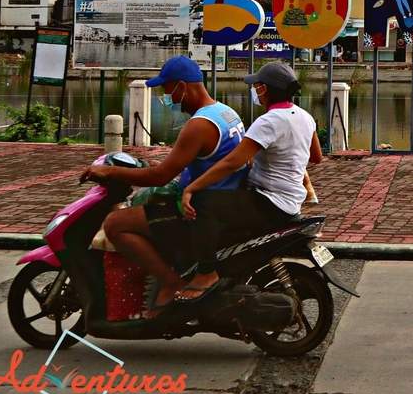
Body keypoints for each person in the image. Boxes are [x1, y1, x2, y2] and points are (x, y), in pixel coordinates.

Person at [84, 55, 248, 316]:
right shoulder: (225, 113)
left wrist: (110, 171)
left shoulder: (199, 125)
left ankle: (171, 282)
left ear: (182, 86)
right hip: (222, 198)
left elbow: (159, 176)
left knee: (115, 224)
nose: (166, 96)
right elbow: (188, 162)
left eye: (167, 89)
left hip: (199, 208)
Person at [176, 61, 321, 302]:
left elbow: (232, 162)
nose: (254, 90)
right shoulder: (305, 117)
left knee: (203, 204)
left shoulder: (269, 121)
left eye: (257, 86)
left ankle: (206, 272)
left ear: (264, 89)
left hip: (269, 201)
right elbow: (316, 157)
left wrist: (192, 187)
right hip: (290, 201)